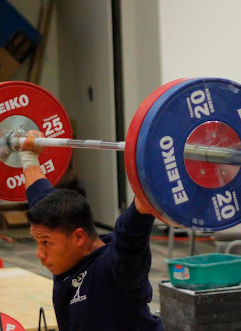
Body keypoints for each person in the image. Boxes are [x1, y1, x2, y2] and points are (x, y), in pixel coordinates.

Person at [20, 130, 164, 331]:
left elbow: (130, 237)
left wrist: (151, 188)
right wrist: (29, 156)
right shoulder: (67, 252)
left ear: (79, 236)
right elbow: (40, 197)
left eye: (46, 243)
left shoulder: (117, 269)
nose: (39, 254)